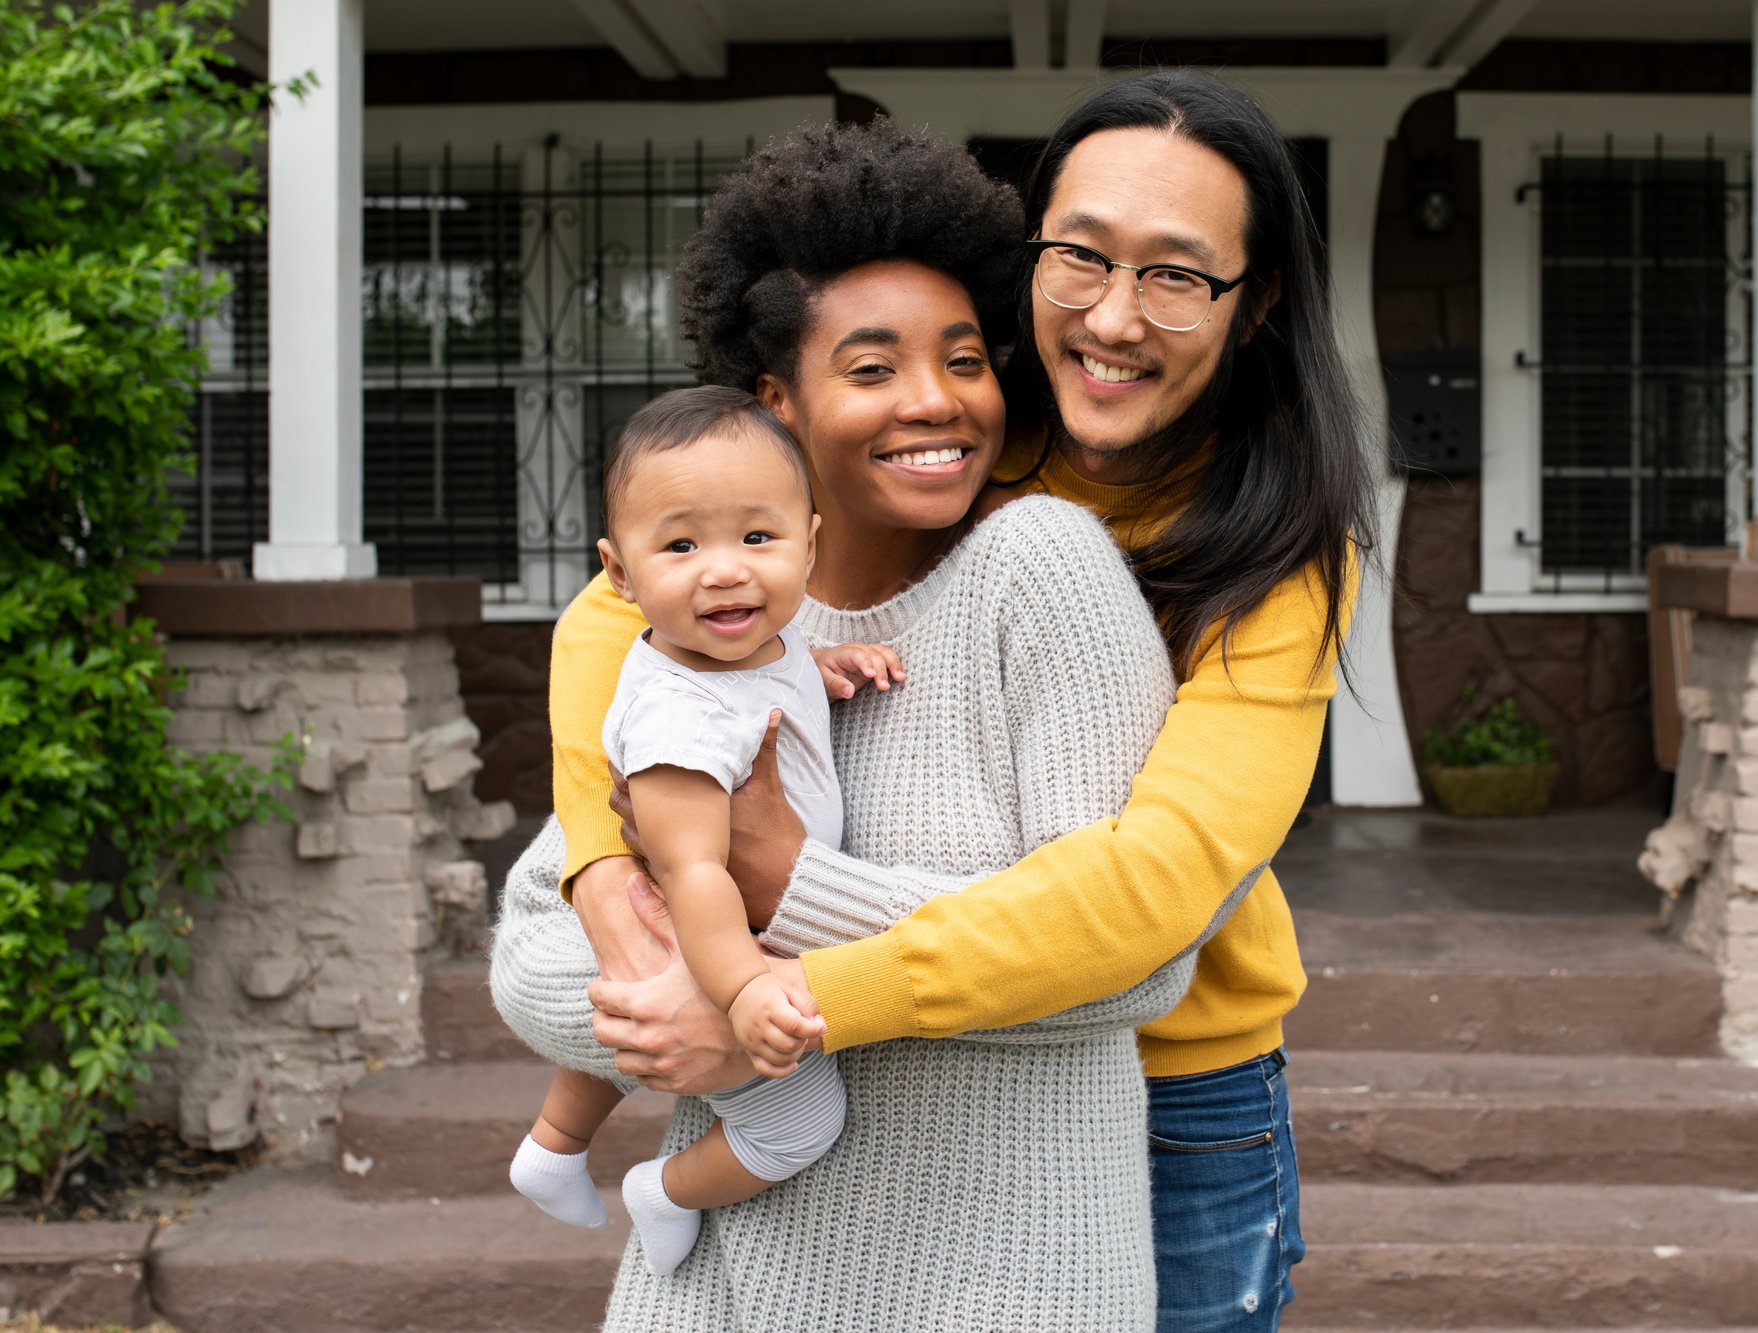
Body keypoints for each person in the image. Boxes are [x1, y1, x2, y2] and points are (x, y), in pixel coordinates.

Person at [593, 72, 1374, 1332]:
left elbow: (1150, 892)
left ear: (1256, 298)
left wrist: (779, 993)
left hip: (1174, 1095)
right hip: (910, 1077)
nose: (1113, 316)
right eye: (1081, 257)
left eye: (1176, 274)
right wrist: (603, 887)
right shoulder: (952, 430)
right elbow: (632, 614)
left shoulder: (1275, 550)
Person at [488, 119, 1192, 1330]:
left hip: (1003, 1284)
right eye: (870, 368)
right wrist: (706, 1012)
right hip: (710, 1288)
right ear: (778, 400)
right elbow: (534, 948)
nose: (935, 400)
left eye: (964, 359)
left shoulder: (1041, 571)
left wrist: (785, 914)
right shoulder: (701, 626)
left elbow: (1135, 954)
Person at [507, 386, 904, 1275]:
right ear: (619, 573)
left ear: (809, 542)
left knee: (628, 1021)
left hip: (724, 919)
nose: (725, 570)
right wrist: (743, 993)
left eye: (756, 538)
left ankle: (550, 1144)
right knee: (802, 1124)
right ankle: (665, 1188)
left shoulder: (751, 641)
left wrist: (825, 661)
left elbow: (775, 670)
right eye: (681, 545)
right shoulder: (675, 723)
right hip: (713, 933)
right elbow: (693, 873)